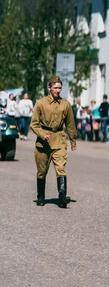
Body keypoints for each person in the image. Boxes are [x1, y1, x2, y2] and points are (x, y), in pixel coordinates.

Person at [29, 76, 77, 208]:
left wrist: (73, 140)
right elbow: (33, 124)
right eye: (55, 88)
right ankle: (40, 196)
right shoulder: (41, 103)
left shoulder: (65, 104)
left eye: (59, 88)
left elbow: (70, 124)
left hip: (59, 139)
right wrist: (42, 134)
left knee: (61, 168)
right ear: (49, 88)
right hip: (43, 142)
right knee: (42, 171)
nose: (57, 90)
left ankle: (62, 197)